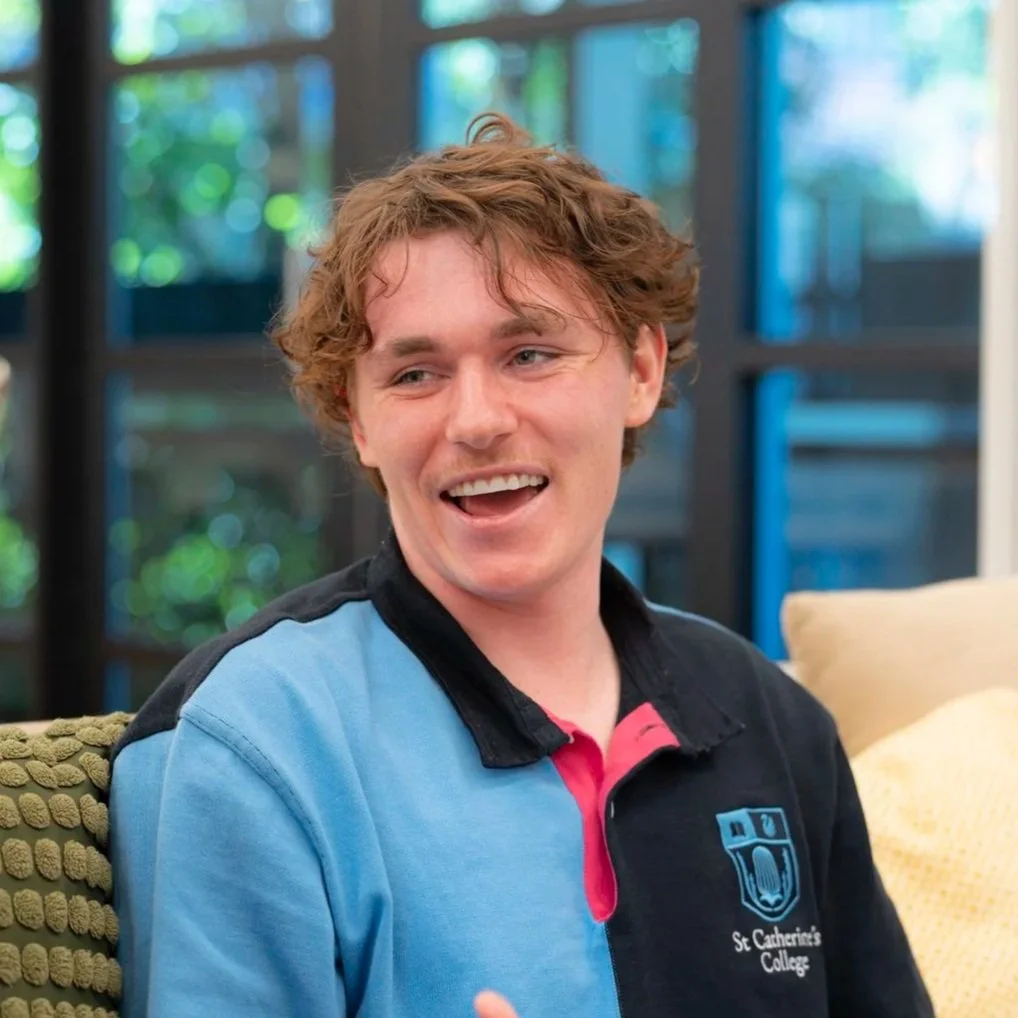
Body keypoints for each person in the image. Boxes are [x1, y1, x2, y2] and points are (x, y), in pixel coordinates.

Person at [110, 114, 933, 1018]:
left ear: (640, 371)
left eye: (530, 354)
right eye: (415, 374)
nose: (476, 420)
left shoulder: (768, 719)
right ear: (358, 416)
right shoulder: (251, 743)